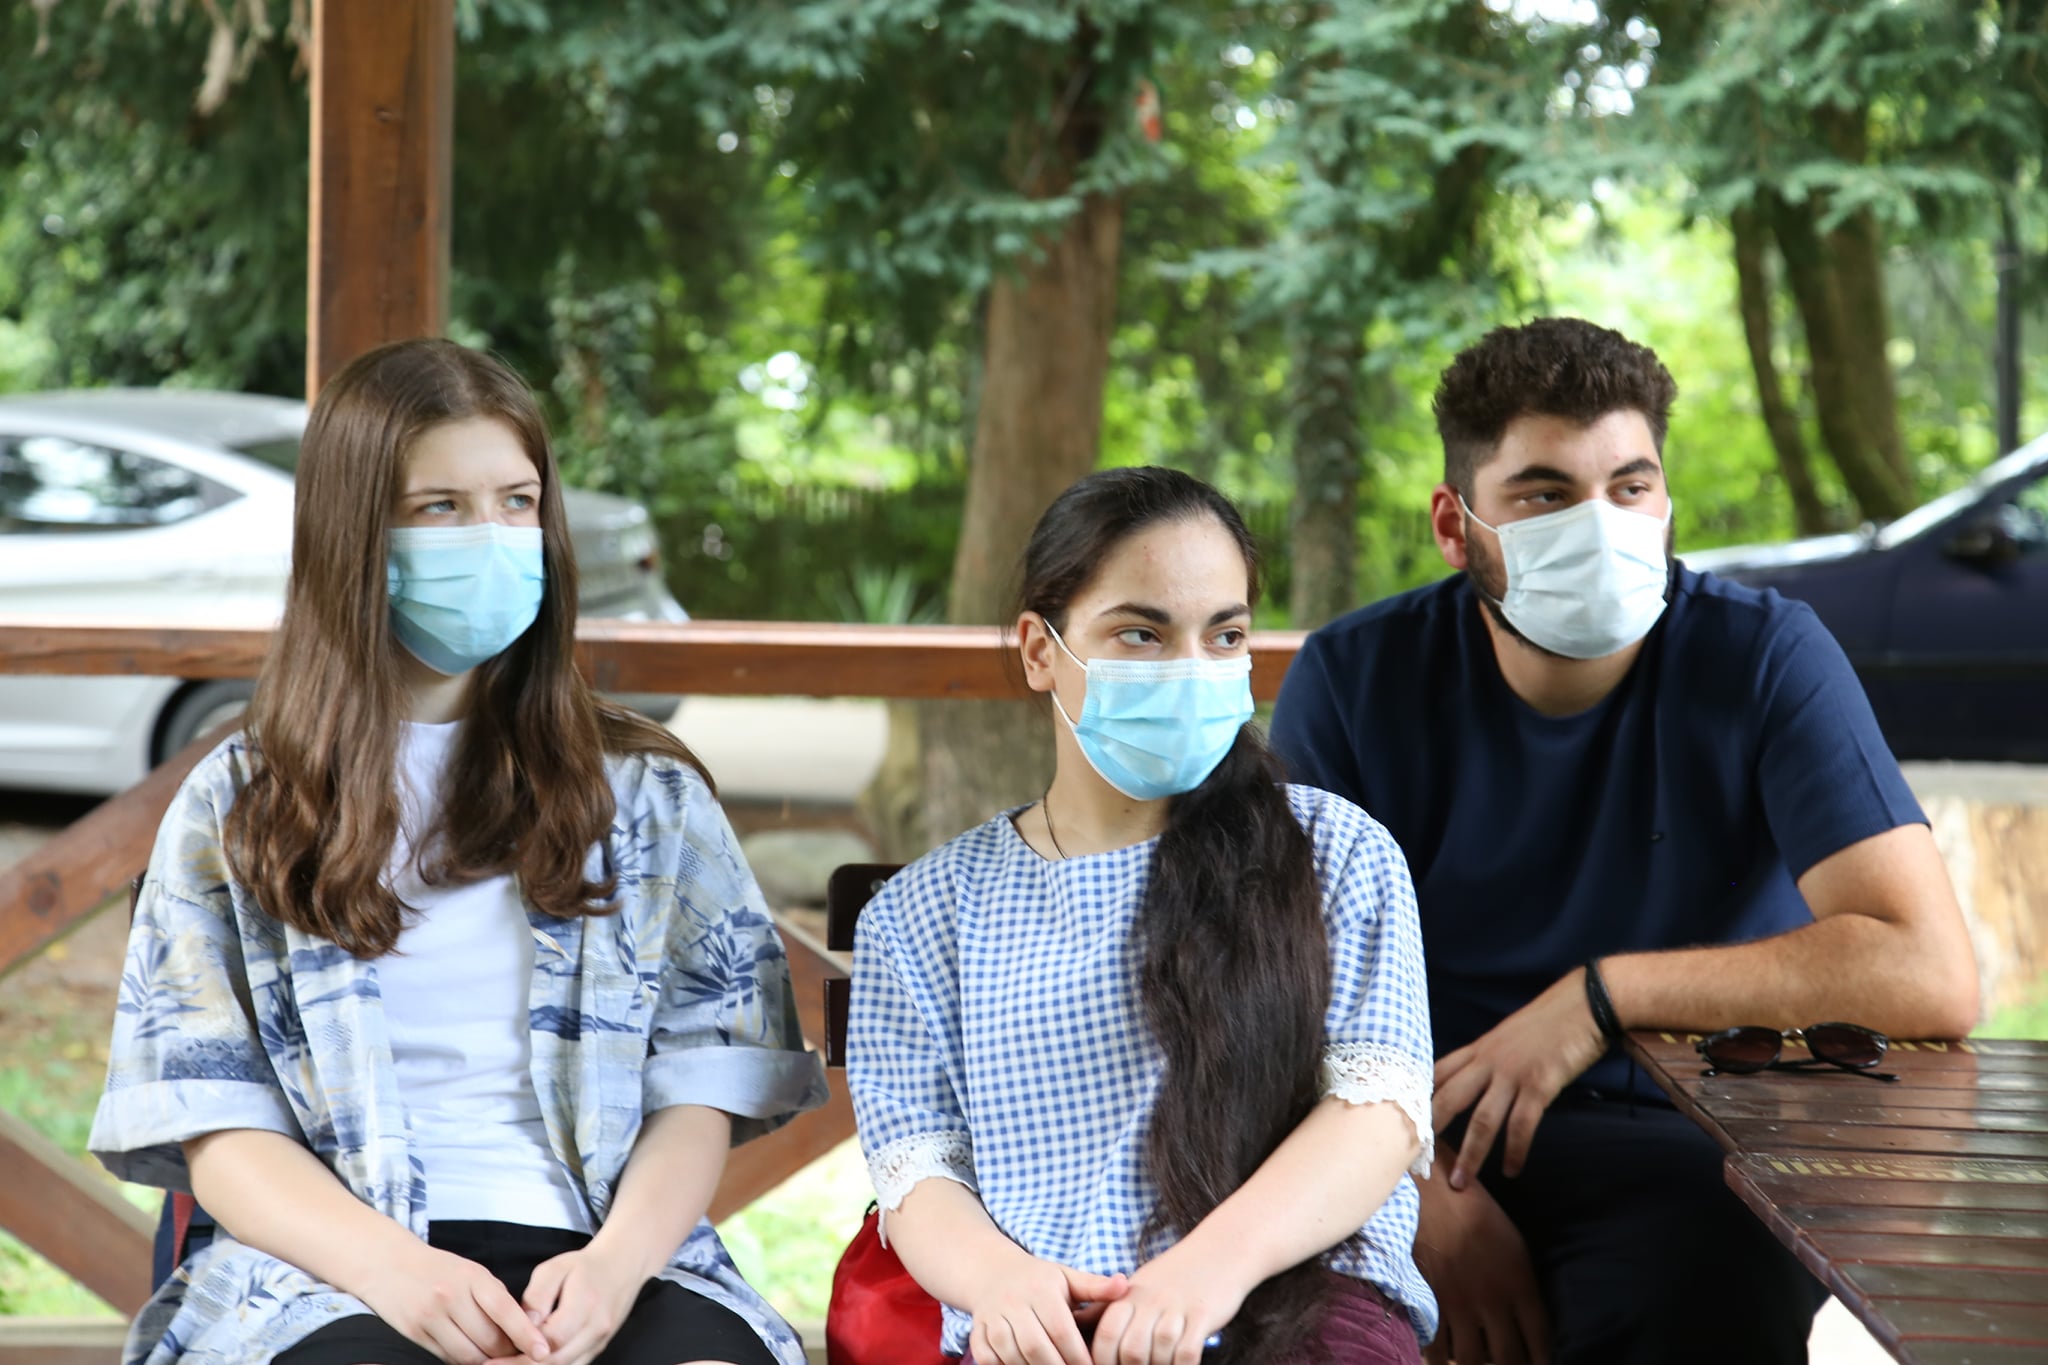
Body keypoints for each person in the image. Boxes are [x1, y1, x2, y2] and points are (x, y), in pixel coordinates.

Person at [90, 339, 828, 1365]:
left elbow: (703, 1080)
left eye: (516, 502)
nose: (491, 537)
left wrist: (614, 1269)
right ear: (354, 534)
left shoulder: (647, 793)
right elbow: (217, 1128)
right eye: (440, 507)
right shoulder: (239, 803)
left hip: (604, 1252)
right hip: (328, 1270)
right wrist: (399, 1273)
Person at [1270, 317, 1980, 1365]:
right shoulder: (1352, 679)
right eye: (1545, 495)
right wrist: (1413, 1195)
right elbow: (1280, 994)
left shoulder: (1764, 656)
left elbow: (1928, 970)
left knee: (1699, 1295)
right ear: (1455, 526)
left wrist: (1602, 997)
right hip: (1411, 1141)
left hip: (1689, 1140)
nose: (1599, 525)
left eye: (1629, 486)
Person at [845, 466, 1437, 1365]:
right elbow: (918, 1167)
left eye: (1224, 634)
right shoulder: (922, 914)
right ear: (1041, 650)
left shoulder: (1338, 850)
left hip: (1308, 1300)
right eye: (1141, 633)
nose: (1191, 669)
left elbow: (1377, 1109)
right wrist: (1001, 1283)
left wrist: (1205, 1272)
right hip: (1045, 1330)